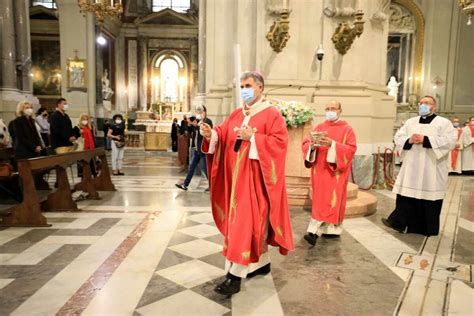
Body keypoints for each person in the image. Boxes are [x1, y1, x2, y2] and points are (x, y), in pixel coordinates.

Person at [200, 71, 294, 296]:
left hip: (255, 183)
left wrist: (254, 138)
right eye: (242, 85)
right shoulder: (236, 113)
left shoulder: (272, 114)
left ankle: (235, 276)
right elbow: (222, 134)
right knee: (246, 226)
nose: (244, 89)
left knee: (246, 225)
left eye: (248, 85)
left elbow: (280, 143)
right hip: (235, 182)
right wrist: (210, 133)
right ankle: (261, 264)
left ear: (260, 88)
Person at [382, 96, 456, 236]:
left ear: (434, 107)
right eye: (421, 103)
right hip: (412, 166)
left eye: (426, 103)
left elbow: (450, 141)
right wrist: (409, 140)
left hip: (432, 167)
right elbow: (398, 137)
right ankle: (399, 223)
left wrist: (426, 140)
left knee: (429, 197)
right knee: (406, 196)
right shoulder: (411, 122)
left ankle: (427, 229)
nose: (423, 105)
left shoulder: (443, 123)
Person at [301, 100, 357, 246]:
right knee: (320, 200)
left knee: (330, 200)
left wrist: (332, 144)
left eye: (333, 108)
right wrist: (312, 146)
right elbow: (306, 143)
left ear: (340, 111)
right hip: (319, 170)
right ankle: (320, 230)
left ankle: (316, 231)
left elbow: (351, 149)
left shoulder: (347, 129)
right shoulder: (320, 126)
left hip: (335, 171)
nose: (330, 111)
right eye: (327, 108)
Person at [175, 107, 213, 191]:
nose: (199, 113)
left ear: (205, 112)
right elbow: (188, 131)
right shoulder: (197, 121)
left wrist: (197, 125)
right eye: (198, 111)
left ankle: (212, 185)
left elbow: (207, 132)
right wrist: (189, 124)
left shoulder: (207, 121)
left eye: (201, 111)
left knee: (204, 168)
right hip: (196, 149)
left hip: (203, 149)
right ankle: (185, 185)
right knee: (191, 167)